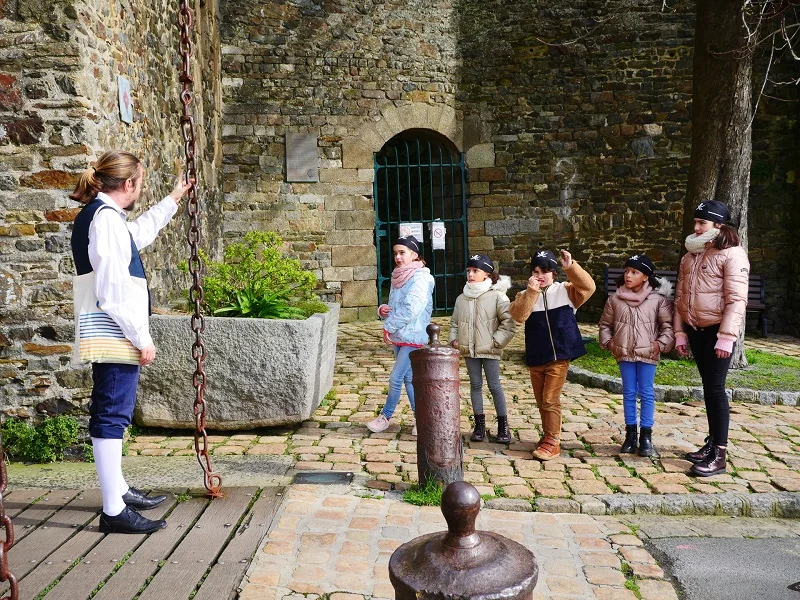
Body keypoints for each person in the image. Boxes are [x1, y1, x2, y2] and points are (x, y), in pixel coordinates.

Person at [70, 150, 192, 534]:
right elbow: (111, 290)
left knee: (112, 410)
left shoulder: (104, 216)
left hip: (111, 326)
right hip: (115, 328)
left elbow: (136, 236)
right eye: (139, 181)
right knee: (111, 413)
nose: (139, 188)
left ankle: (119, 490)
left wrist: (171, 200)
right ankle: (112, 510)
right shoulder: (105, 220)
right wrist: (142, 336)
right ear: (129, 184)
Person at [674, 200, 749, 477]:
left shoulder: (733, 255)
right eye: (695, 222)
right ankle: (710, 444)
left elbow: (737, 299)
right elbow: (680, 297)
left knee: (716, 389)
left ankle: (719, 454)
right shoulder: (690, 256)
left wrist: (727, 337)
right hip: (696, 330)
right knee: (708, 387)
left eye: (701, 223)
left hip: (718, 332)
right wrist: (680, 332)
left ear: (718, 225)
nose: (696, 228)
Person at [509, 249, 595, 461]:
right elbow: (519, 315)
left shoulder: (566, 290)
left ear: (554, 274)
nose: (540, 276)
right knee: (541, 401)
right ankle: (548, 436)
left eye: (545, 271)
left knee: (549, 399)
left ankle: (552, 442)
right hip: (537, 356)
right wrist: (531, 292)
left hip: (559, 355)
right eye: (536, 271)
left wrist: (571, 267)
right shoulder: (525, 294)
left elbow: (589, 287)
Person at [598, 254, 675, 456]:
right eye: (626, 271)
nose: (628, 275)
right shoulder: (615, 299)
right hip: (623, 352)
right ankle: (631, 434)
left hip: (648, 353)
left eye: (634, 272)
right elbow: (605, 325)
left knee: (647, 392)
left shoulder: (658, 300)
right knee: (629, 392)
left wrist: (659, 345)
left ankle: (646, 436)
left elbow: (667, 326)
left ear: (645, 277)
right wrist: (610, 343)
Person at [367, 235, 435, 434]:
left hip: (413, 336)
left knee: (396, 378)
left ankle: (385, 417)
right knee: (408, 379)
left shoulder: (421, 278)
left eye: (402, 253)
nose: (397, 257)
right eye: (395, 253)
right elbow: (397, 306)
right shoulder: (399, 274)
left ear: (414, 255)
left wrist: (388, 326)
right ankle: (421, 419)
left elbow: (411, 308)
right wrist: (383, 310)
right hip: (400, 335)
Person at [449, 254, 517, 443]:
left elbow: (509, 324)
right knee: (475, 386)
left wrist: (496, 342)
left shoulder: (497, 296)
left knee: (495, 386)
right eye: (469, 270)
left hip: (490, 350)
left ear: (487, 274)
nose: (470, 274)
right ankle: (479, 426)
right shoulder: (462, 298)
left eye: (475, 271)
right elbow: (455, 323)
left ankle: (503, 426)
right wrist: (454, 340)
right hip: (469, 350)